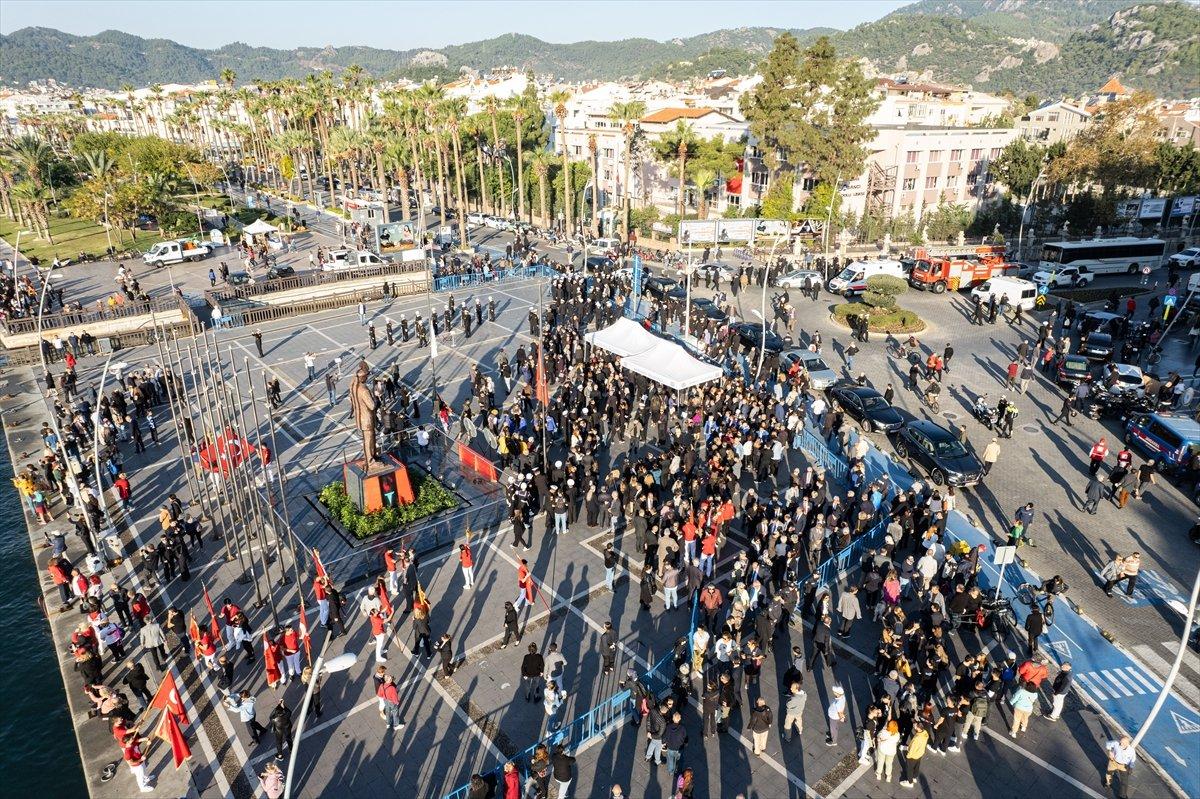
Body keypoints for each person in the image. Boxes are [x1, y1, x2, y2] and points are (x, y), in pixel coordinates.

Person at [898, 722, 929, 788]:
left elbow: (911, 748)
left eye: (915, 726)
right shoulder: (925, 732)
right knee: (917, 766)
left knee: (909, 768)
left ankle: (910, 782)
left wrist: (908, 755)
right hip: (920, 753)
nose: (914, 726)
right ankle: (914, 777)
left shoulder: (916, 738)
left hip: (913, 755)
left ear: (918, 728)